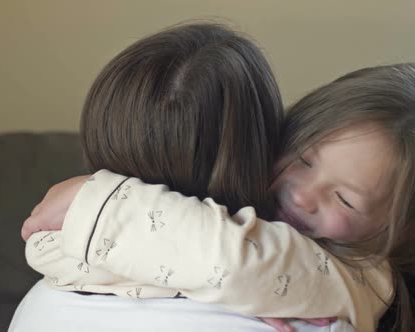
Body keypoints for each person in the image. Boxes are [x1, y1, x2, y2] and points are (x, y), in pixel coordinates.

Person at [22, 23, 415, 331]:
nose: (303, 196)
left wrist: (97, 202)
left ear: (397, 231)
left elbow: (240, 264)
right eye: (302, 159)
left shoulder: (363, 276)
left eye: (345, 199)